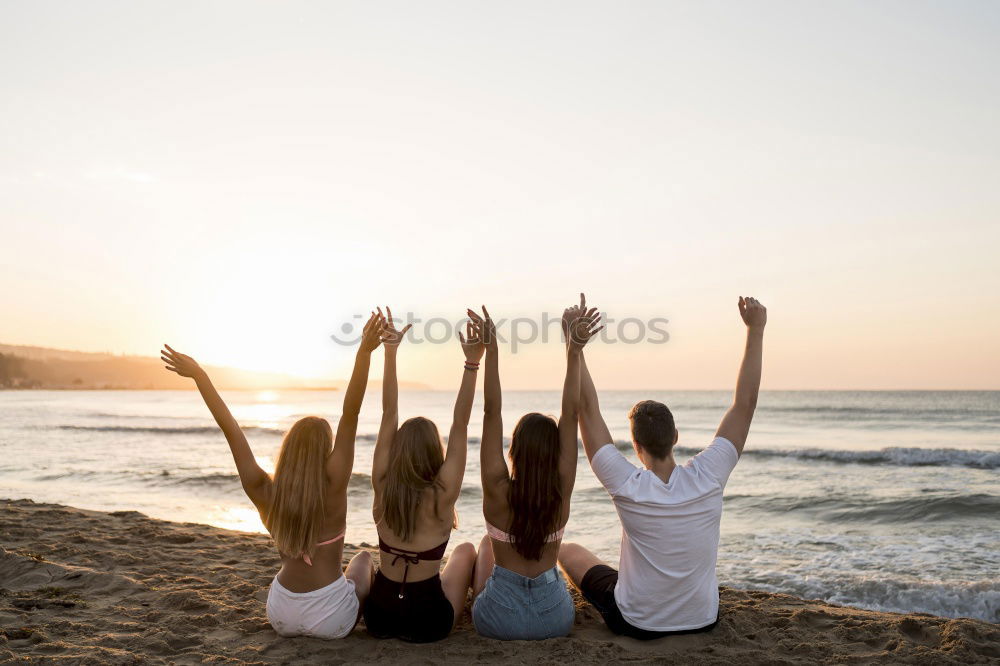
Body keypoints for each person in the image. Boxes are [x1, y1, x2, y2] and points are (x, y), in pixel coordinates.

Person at [159, 311, 384, 639]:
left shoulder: (264, 490)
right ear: (325, 451)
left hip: (280, 614)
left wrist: (201, 377)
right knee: (362, 561)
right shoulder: (334, 485)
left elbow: (230, 427)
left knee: (347, 571)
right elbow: (352, 412)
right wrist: (364, 352)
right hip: (331, 620)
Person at [558, 296, 767, 639]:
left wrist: (574, 346)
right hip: (703, 619)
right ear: (676, 437)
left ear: (635, 447)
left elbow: (586, 410)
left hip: (637, 623)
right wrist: (755, 330)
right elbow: (745, 404)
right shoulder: (710, 475)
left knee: (568, 552)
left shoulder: (626, 483)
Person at [469, 298, 602, 640]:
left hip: (498, 618)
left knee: (487, 545)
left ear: (513, 450)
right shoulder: (561, 487)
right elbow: (571, 414)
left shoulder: (497, 490)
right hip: (554, 618)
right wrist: (573, 351)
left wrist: (492, 349)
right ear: (556, 453)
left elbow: (490, 413)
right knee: (492, 547)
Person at [362, 307, 479, 643]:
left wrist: (390, 352)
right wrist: (472, 364)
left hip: (379, 618)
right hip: (429, 622)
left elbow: (388, 414)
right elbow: (460, 424)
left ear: (397, 450)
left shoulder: (382, 487)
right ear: (434, 453)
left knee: (364, 560)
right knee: (466, 551)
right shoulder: (442, 497)